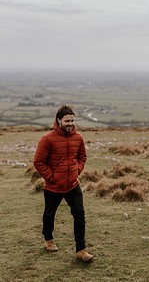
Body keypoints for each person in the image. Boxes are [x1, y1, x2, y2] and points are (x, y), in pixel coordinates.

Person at [34, 105, 93, 262]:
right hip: (53, 186)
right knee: (49, 214)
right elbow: (39, 162)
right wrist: (52, 178)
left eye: (73, 120)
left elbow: (82, 157)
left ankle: (81, 250)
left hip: (73, 185)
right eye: (67, 120)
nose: (70, 123)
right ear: (58, 120)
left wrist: (76, 171)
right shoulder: (47, 139)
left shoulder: (78, 138)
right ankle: (48, 239)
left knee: (79, 214)